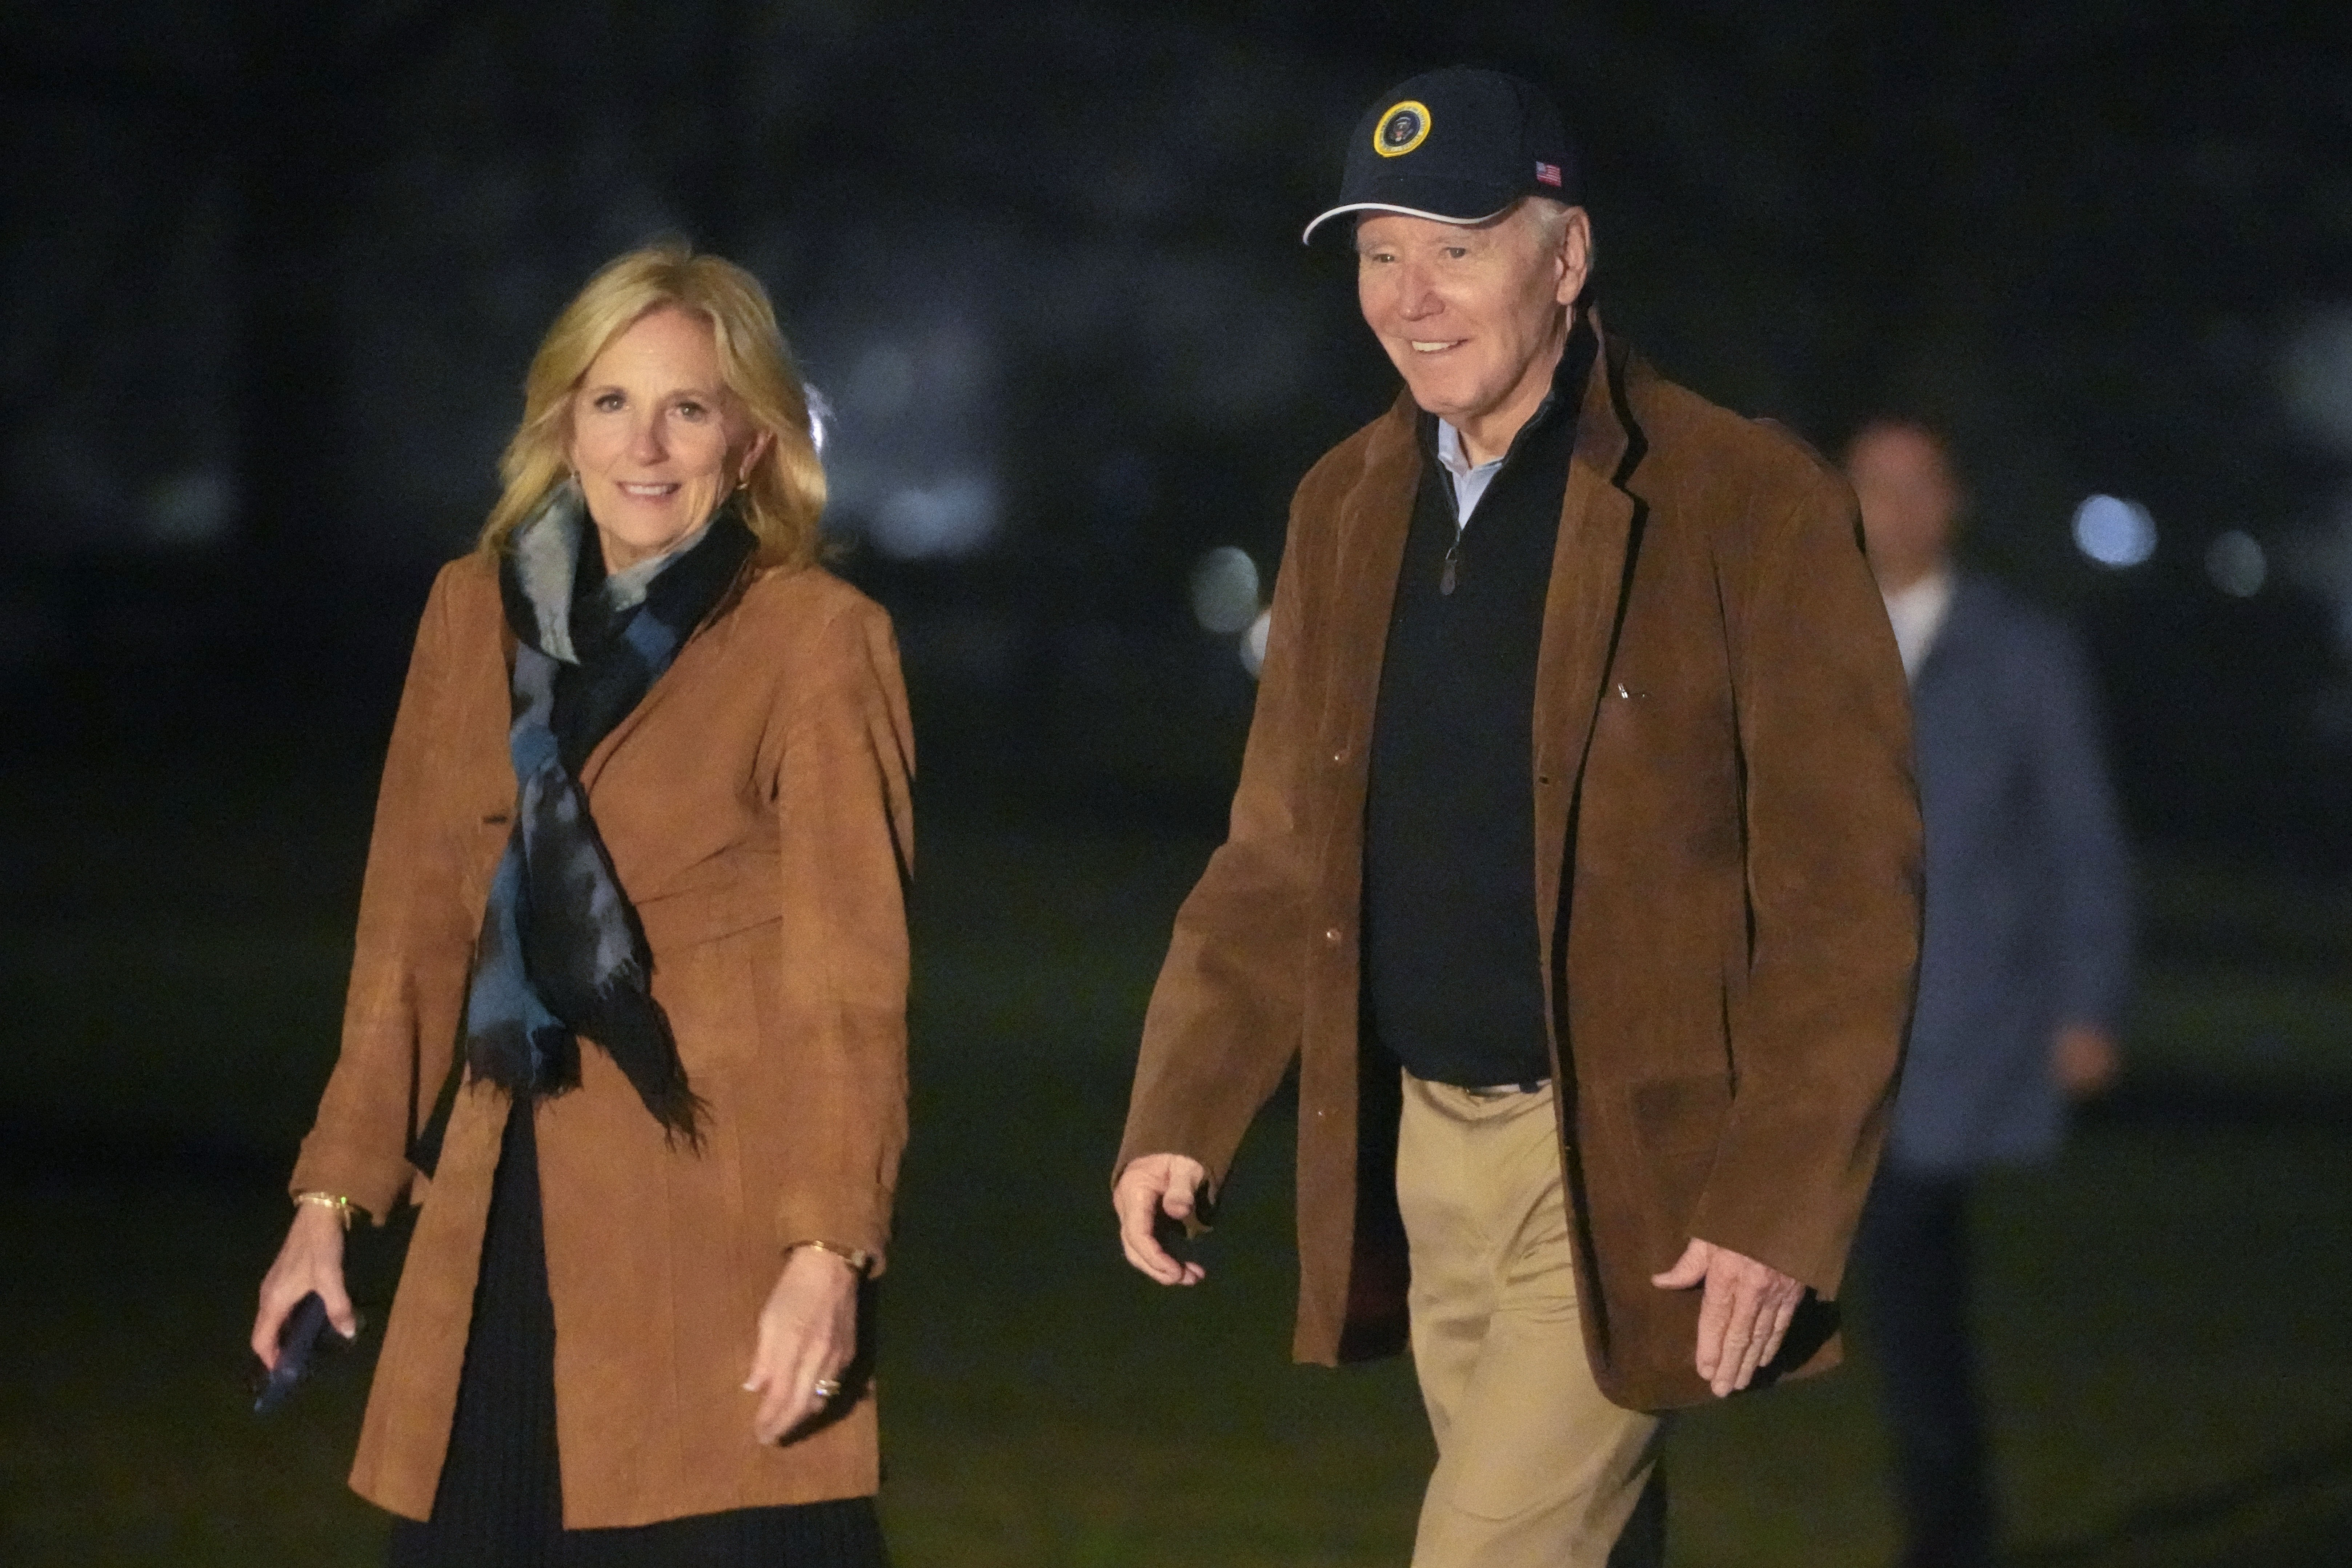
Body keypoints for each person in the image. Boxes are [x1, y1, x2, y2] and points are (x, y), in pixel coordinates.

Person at [1111, 67, 1923, 1568]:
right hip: (1426, 1158)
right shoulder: (1341, 506)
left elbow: (1845, 888)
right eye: (1376, 252)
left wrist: (1778, 1197)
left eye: (1455, 245)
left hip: (1628, 1167)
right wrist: (1182, 1107)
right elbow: (1280, 850)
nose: (1409, 296)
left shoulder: (1745, 501)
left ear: (1567, 257)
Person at [249, 244, 914, 1566]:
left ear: (750, 438)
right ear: (563, 423)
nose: (645, 445)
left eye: (689, 406)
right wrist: (330, 1200)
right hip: (496, 1220)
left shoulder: (815, 636)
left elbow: (853, 986)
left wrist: (829, 1248)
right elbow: (414, 933)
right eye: (611, 402)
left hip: (715, 1237)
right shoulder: (468, 614)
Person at [1844, 417, 2132, 1568]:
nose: (1896, 509)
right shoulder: (1794, 634)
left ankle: (1949, 1536)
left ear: (1952, 501)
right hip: (1817, 1032)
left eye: (1917, 487)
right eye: (1873, 485)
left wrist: (2088, 1003)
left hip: (1956, 1031)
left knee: (1912, 1288)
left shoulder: (2020, 649)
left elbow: (2082, 838)